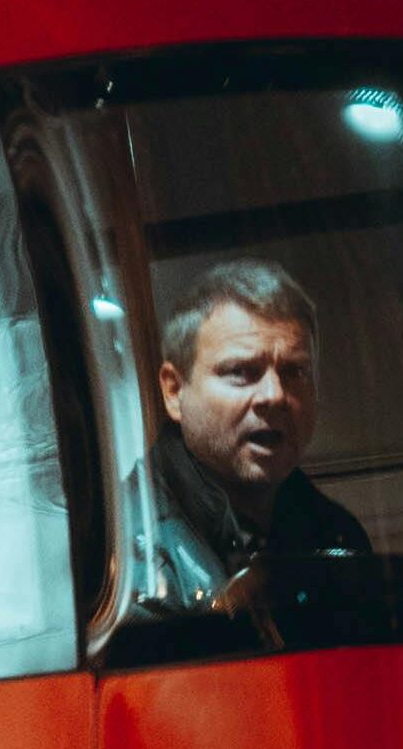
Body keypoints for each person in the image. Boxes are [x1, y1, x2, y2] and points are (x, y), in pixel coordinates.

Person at [118, 257, 381, 623]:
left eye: (295, 372)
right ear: (175, 391)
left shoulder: (336, 534)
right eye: (241, 372)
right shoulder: (122, 551)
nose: (274, 395)